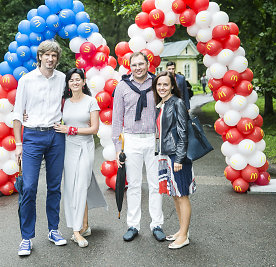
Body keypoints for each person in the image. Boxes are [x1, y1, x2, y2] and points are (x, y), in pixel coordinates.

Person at [13, 40, 67, 256]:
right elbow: (18, 113)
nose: (51, 59)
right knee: (29, 187)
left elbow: (74, 99)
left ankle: (53, 230)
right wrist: (18, 144)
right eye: (47, 55)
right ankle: (26, 237)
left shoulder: (62, 78)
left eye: (54, 55)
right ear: (40, 56)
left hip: (55, 135)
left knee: (54, 186)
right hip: (33, 136)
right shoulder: (26, 80)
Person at [112, 52, 165, 242]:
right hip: (132, 139)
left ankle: (156, 224)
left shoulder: (157, 84)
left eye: (141, 64)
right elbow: (117, 120)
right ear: (130, 66)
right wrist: (118, 148)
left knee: (155, 184)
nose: (138, 68)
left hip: (153, 138)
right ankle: (133, 225)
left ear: (147, 64)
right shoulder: (122, 87)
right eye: (134, 65)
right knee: (133, 184)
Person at [54, 68, 107, 248]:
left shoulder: (91, 102)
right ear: (68, 84)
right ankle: (83, 226)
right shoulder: (64, 102)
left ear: (84, 82)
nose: (75, 82)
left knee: (82, 184)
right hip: (68, 147)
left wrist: (71, 129)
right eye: (71, 80)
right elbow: (49, 116)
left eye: (78, 79)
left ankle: (77, 230)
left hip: (85, 146)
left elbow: (94, 129)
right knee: (71, 187)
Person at [151, 71, 196, 250]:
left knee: (182, 194)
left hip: (177, 156)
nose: (162, 88)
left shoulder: (177, 102)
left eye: (165, 85)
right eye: (159, 85)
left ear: (172, 86)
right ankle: (181, 230)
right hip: (166, 154)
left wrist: (179, 158)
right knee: (175, 195)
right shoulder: (162, 104)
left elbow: (183, 132)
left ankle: (184, 235)